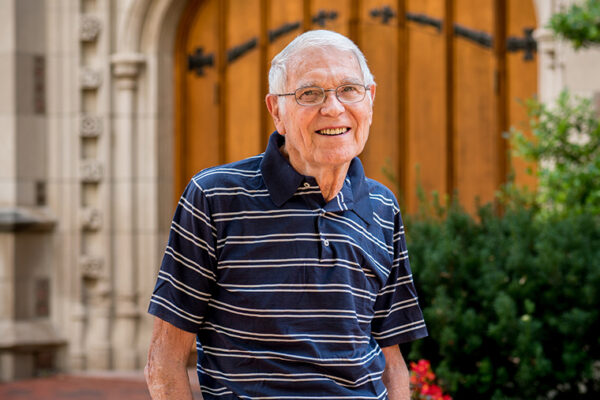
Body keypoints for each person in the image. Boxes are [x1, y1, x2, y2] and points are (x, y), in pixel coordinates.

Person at [145, 29, 427, 400]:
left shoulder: (382, 206)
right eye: (309, 94)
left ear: (370, 100)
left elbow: (391, 358)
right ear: (276, 110)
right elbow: (165, 359)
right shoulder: (214, 197)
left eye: (349, 90)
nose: (333, 108)